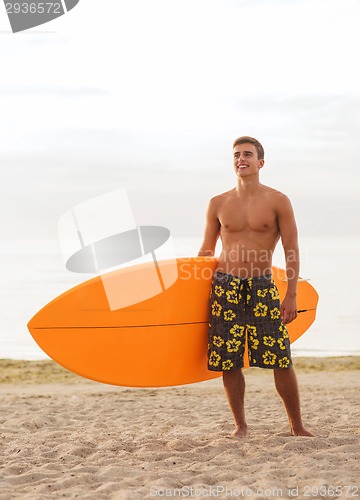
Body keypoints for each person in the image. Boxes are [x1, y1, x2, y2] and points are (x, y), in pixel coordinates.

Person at [198, 136, 314, 438]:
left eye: (247, 154)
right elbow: (206, 252)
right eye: (236, 155)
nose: (241, 159)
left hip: (262, 286)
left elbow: (291, 250)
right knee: (229, 359)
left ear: (260, 162)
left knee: (280, 357)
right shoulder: (218, 204)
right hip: (225, 287)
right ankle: (240, 426)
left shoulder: (278, 200)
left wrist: (291, 294)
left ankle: (297, 426)